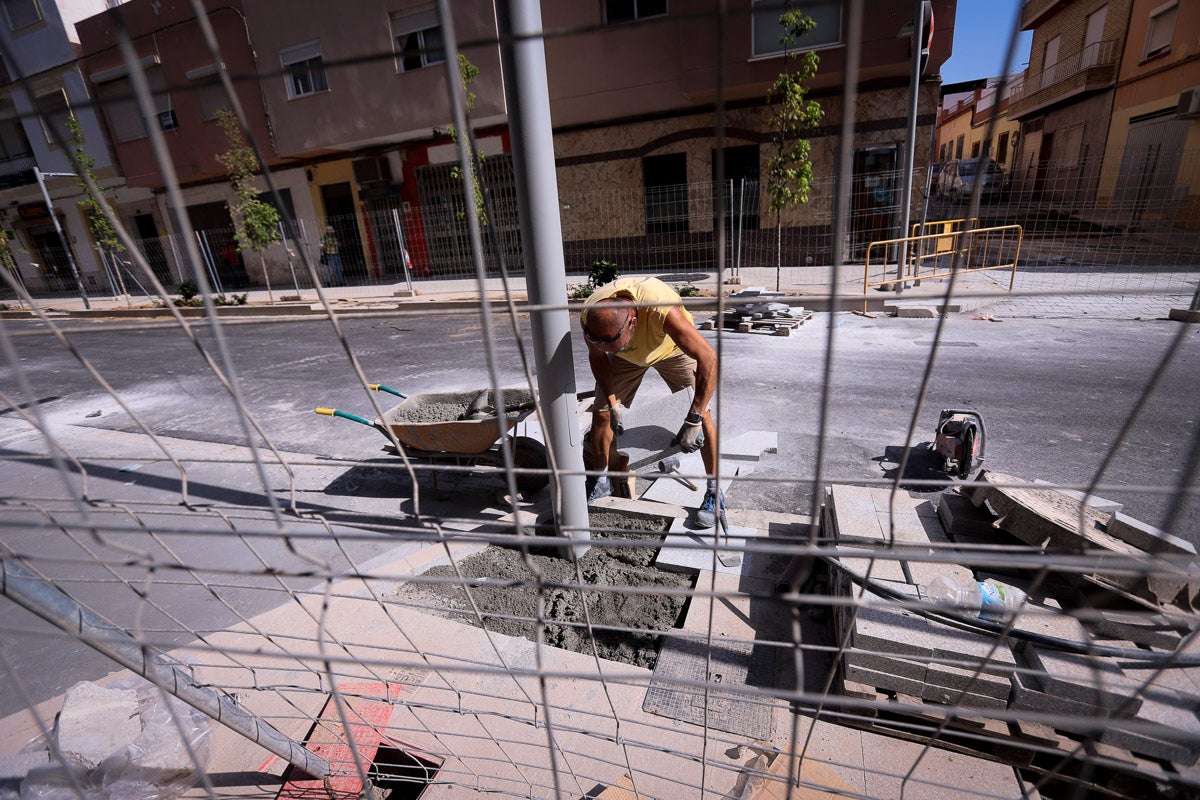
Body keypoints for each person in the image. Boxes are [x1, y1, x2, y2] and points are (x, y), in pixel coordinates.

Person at [581, 275, 722, 527]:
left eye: (611, 343)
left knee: (706, 414)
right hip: (628, 357)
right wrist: (613, 404)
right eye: (600, 343)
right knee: (601, 412)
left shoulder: (662, 310)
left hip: (671, 350)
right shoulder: (593, 320)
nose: (606, 348)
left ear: (633, 322)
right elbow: (600, 358)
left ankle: (714, 492)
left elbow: (709, 359)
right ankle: (599, 481)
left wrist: (694, 418)